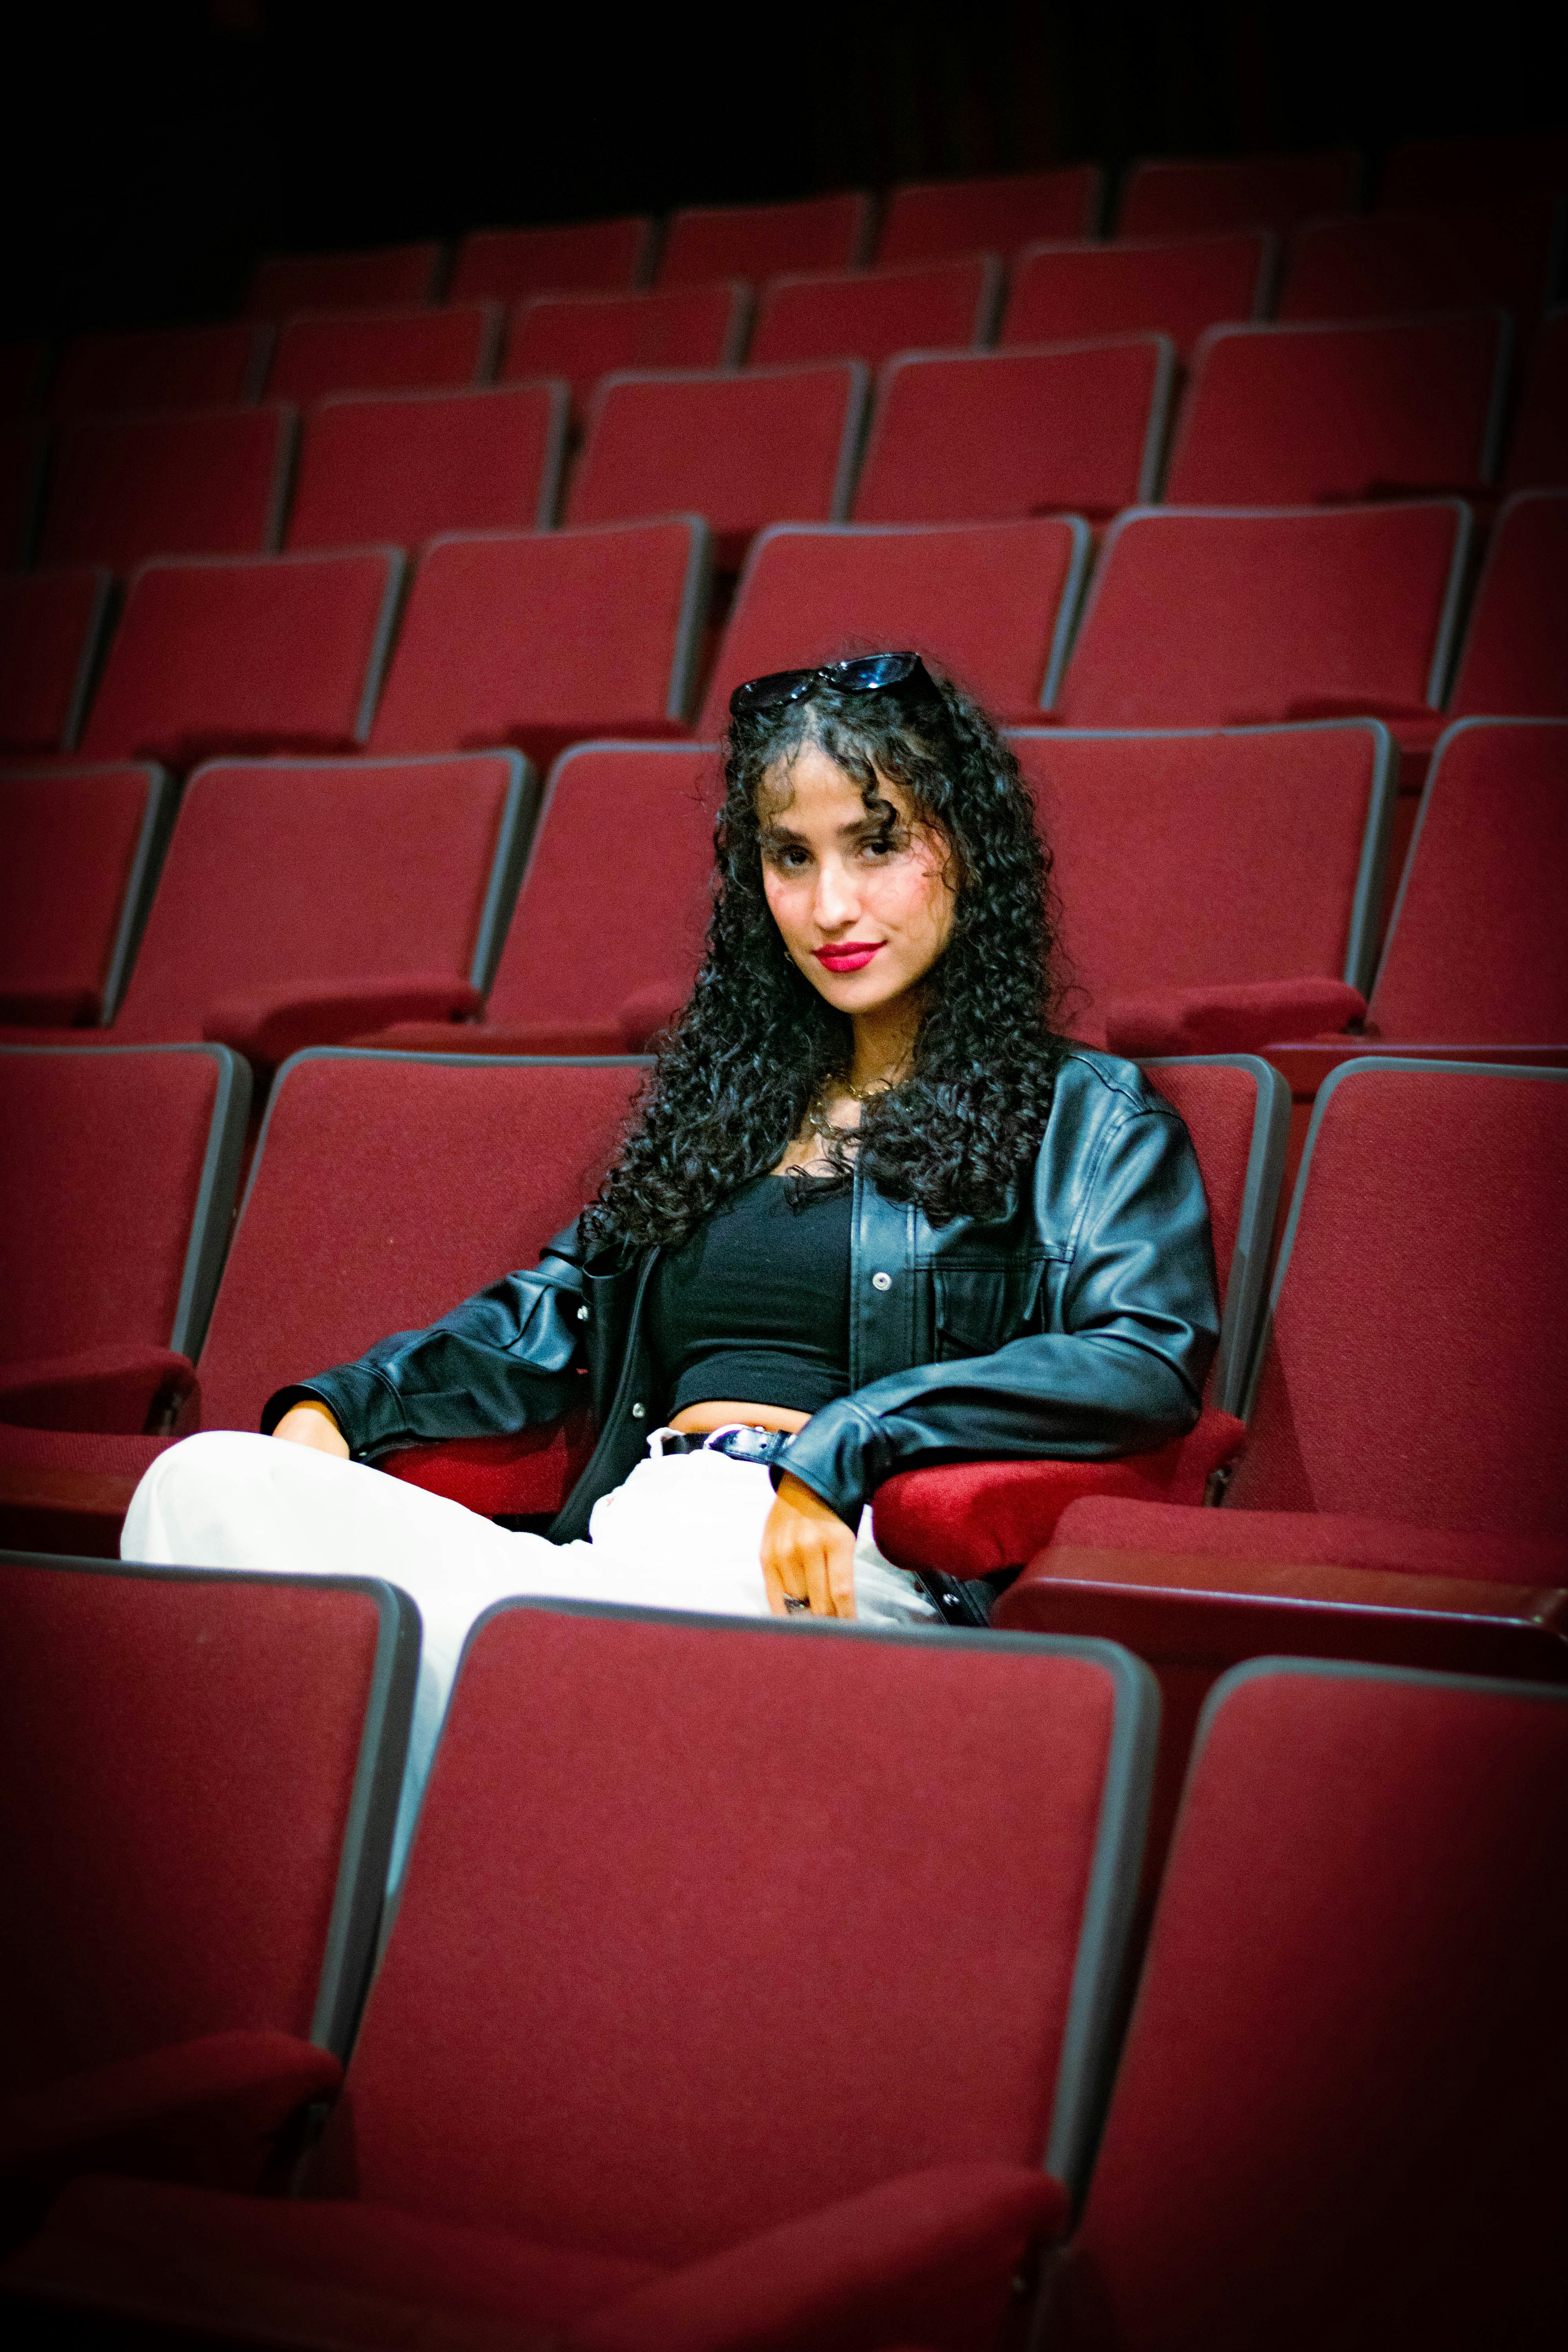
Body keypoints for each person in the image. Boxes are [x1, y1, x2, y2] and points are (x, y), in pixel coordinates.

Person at [124, 654, 1218, 1849]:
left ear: (967, 848)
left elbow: (1143, 1354)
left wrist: (853, 1442)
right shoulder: (726, 1107)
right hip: (629, 1544)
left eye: (876, 843)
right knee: (206, 1487)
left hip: (824, 1560)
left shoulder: (1088, 1115)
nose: (831, 905)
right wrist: (344, 1412)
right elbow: (550, 1315)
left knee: (473, 1718)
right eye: (791, 857)